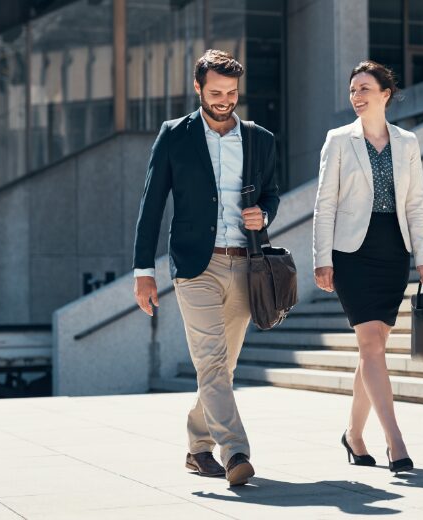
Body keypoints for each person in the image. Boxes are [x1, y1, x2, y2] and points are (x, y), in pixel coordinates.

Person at [132, 49, 279, 487]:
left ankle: (197, 448)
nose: (224, 100)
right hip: (195, 265)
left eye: (231, 92)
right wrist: (144, 270)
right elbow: (151, 204)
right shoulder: (174, 135)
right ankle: (235, 451)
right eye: (215, 92)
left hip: (245, 264)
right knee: (211, 362)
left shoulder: (259, 139)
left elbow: (271, 192)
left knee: (222, 367)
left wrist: (264, 214)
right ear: (198, 88)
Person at [312, 60, 423, 474]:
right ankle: (395, 442)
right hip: (352, 255)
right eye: (352, 91)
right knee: (371, 345)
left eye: (365, 88)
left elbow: (416, 202)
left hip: (393, 251)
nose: (357, 96)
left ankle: (353, 435)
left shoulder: (407, 142)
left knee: (374, 349)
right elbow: (324, 203)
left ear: (385, 93)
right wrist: (321, 259)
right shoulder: (338, 140)